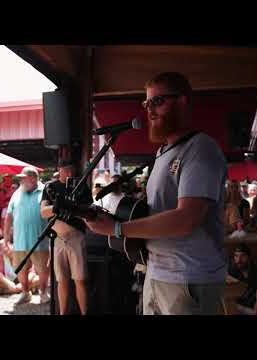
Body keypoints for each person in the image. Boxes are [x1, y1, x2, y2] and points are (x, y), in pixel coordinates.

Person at [85, 72, 227, 315]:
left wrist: (117, 229)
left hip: (188, 278)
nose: (149, 110)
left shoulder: (200, 148)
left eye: (158, 101)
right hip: (156, 271)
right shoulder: (163, 153)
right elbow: (157, 211)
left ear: (182, 101)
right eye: (146, 103)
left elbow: (187, 219)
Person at [41, 160, 93, 315]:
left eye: (72, 171)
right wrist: (58, 206)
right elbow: (43, 211)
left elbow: (89, 211)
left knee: (80, 280)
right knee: (61, 281)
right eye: (66, 170)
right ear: (59, 170)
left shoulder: (82, 186)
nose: (69, 174)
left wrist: (74, 206)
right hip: (57, 239)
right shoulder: (50, 187)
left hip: (76, 237)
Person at [4, 166, 50, 305]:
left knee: (42, 270)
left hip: (40, 240)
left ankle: (43, 293)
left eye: (23, 178)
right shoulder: (17, 192)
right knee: (21, 270)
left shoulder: (45, 191)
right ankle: (25, 293)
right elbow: (9, 215)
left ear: (33, 178)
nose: (21, 181)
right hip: (20, 241)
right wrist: (6, 236)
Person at [227, 244, 257, 315]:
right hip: (239, 307)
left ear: (249, 257)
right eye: (236, 256)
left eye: (243, 256)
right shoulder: (233, 271)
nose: (238, 260)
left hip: (256, 310)